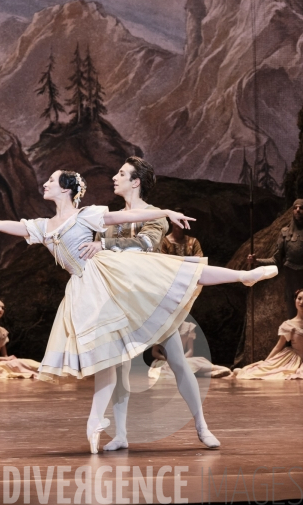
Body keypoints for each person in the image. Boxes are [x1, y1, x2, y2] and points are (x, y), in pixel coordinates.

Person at [0, 169, 278, 454]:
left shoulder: (88, 214)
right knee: (109, 364)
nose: (45, 184)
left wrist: (165, 212)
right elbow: (5, 225)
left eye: (51, 180)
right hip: (90, 293)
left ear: (67, 189)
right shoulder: (43, 226)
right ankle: (103, 425)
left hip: (119, 278)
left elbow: (126, 216)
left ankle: (243, 276)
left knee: (179, 272)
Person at [81, 158, 219, 451]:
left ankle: (201, 425)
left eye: (121, 173)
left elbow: (145, 244)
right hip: (119, 300)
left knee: (178, 361)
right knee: (119, 368)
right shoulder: (112, 219)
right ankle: (120, 434)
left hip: (149, 296)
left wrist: (104, 246)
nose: (114, 177)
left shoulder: (155, 215)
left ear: (136, 182)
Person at [248, 199, 303, 318]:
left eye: (301, 208)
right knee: (293, 321)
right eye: (295, 208)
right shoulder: (285, 233)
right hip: (292, 283)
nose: (298, 210)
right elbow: (276, 260)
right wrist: (257, 261)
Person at [233, 289, 303, 380]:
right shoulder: (289, 325)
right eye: (299, 298)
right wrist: (265, 363)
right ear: (295, 301)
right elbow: (278, 347)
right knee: (267, 372)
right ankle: (249, 370)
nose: (301, 302)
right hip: (295, 359)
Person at [148, 320, 233, 381]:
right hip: (165, 360)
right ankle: (215, 372)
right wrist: (168, 358)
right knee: (186, 367)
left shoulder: (188, 326)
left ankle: (219, 370)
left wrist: (181, 359)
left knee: (192, 363)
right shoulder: (163, 329)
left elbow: (190, 350)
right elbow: (154, 352)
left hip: (183, 357)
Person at [0, 299, 40, 379]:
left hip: (0, 362)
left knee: (25, 363)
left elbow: (4, 354)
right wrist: (6, 359)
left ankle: (49, 370)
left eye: (2, 308)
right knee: (21, 365)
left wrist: (8, 359)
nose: (0, 310)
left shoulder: (2, 330)